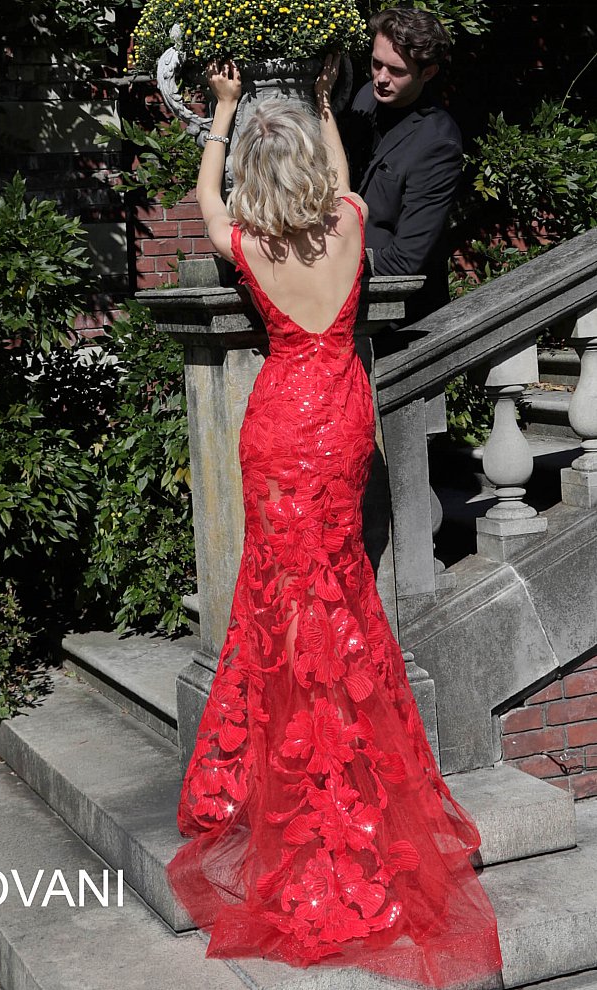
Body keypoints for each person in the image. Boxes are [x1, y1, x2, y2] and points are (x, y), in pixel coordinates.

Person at [166, 55, 502, 988]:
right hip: (342, 418)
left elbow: (205, 193)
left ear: (257, 182)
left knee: (282, 596)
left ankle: (290, 768)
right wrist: (322, 107)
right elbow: (345, 183)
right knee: (341, 590)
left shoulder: (252, 247)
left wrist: (226, 110)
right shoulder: (348, 226)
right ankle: (348, 764)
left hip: (278, 424)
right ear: (313, 171)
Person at [345, 7, 463, 323]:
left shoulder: (437, 143)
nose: (381, 78)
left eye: (396, 70)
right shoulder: (365, 100)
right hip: (347, 305)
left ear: (428, 73)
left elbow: (405, 261)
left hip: (400, 322)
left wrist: (328, 269)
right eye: (376, 64)